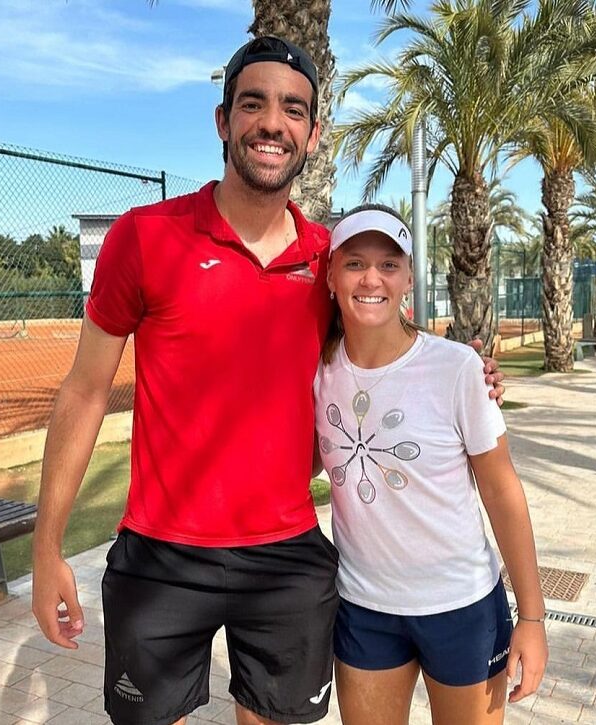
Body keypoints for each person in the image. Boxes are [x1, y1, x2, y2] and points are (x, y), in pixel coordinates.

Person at [31, 36, 504, 725]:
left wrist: (469, 369)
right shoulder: (144, 236)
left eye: (292, 109)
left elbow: (394, 351)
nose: (272, 123)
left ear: (312, 133)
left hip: (287, 559)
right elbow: (83, 390)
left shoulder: (329, 261)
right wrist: (47, 552)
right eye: (253, 104)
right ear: (223, 122)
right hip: (161, 554)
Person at [314, 204, 547, 725]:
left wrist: (531, 616)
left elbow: (502, 491)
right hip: (364, 607)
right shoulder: (317, 371)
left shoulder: (458, 367)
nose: (371, 278)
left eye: (389, 265)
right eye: (354, 263)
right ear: (331, 276)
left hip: (462, 607)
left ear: (408, 280)